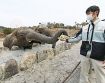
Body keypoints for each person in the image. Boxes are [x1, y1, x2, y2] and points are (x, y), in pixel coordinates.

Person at [65, 5, 105, 83]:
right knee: (84, 76)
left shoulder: (103, 26)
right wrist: (67, 40)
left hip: (98, 57)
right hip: (85, 55)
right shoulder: (85, 27)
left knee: (100, 77)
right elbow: (77, 38)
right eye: (87, 14)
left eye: (89, 13)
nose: (88, 16)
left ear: (96, 13)